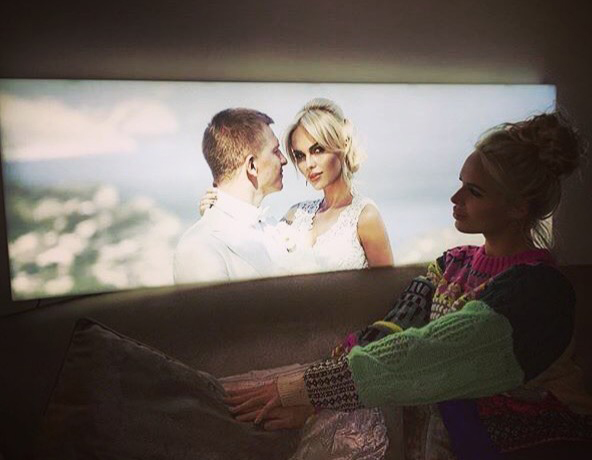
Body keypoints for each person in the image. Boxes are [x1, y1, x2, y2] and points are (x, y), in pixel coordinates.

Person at [224, 112, 592, 458]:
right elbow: (393, 328)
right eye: (460, 185)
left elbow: (438, 352)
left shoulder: (541, 291)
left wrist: (311, 390)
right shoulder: (452, 264)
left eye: (474, 192)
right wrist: (306, 383)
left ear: (518, 208)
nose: (455, 199)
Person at [200, 98, 394, 274]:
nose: (308, 164)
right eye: (300, 156)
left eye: (317, 150)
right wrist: (218, 209)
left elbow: (388, 290)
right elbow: (253, 242)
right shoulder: (295, 215)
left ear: (342, 146)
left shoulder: (365, 217)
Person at [173, 108, 288, 284]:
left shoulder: (275, 229)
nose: (284, 159)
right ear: (251, 165)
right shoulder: (198, 246)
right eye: (276, 151)